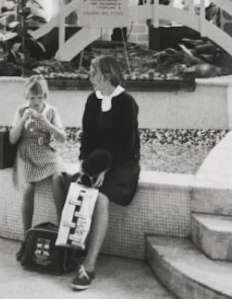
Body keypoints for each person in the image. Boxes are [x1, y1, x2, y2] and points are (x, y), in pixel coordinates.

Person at [72, 54, 140, 290]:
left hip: (123, 163)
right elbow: (86, 138)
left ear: (107, 75)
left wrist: (107, 169)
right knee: (69, 186)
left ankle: (89, 266)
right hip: (99, 160)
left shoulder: (127, 102)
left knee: (100, 198)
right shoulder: (93, 100)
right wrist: (85, 164)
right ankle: (71, 248)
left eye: (94, 73)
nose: (90, 78)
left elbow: (127, 145)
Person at [10, 74, 67, 261]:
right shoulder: (20, 111)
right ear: (27, 97)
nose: (35, 102)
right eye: (32, 98)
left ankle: (61, 231)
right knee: (27, 189)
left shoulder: (51, 111)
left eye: (39, 98)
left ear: (45, 97)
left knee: (59, 178)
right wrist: (23, 120)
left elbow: (62, 137)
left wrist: (47, 124)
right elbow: (12, 139)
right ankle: (26, 237)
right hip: (26, 153)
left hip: (46, 151)